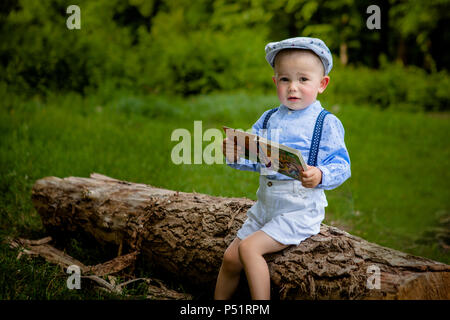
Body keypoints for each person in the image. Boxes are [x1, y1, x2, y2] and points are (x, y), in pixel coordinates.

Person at [214, 37, 351, 300]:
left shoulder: (325, 122)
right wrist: (234, 153)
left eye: (303, 79)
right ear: (275, 82)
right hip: (265, 208)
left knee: (249, 249)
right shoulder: (268, 119)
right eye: (285, 79)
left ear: (322, 84)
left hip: (298, 209)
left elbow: (341, 164)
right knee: (231, 259)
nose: (293, 88)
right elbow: (255, 159)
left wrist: (320, 174)